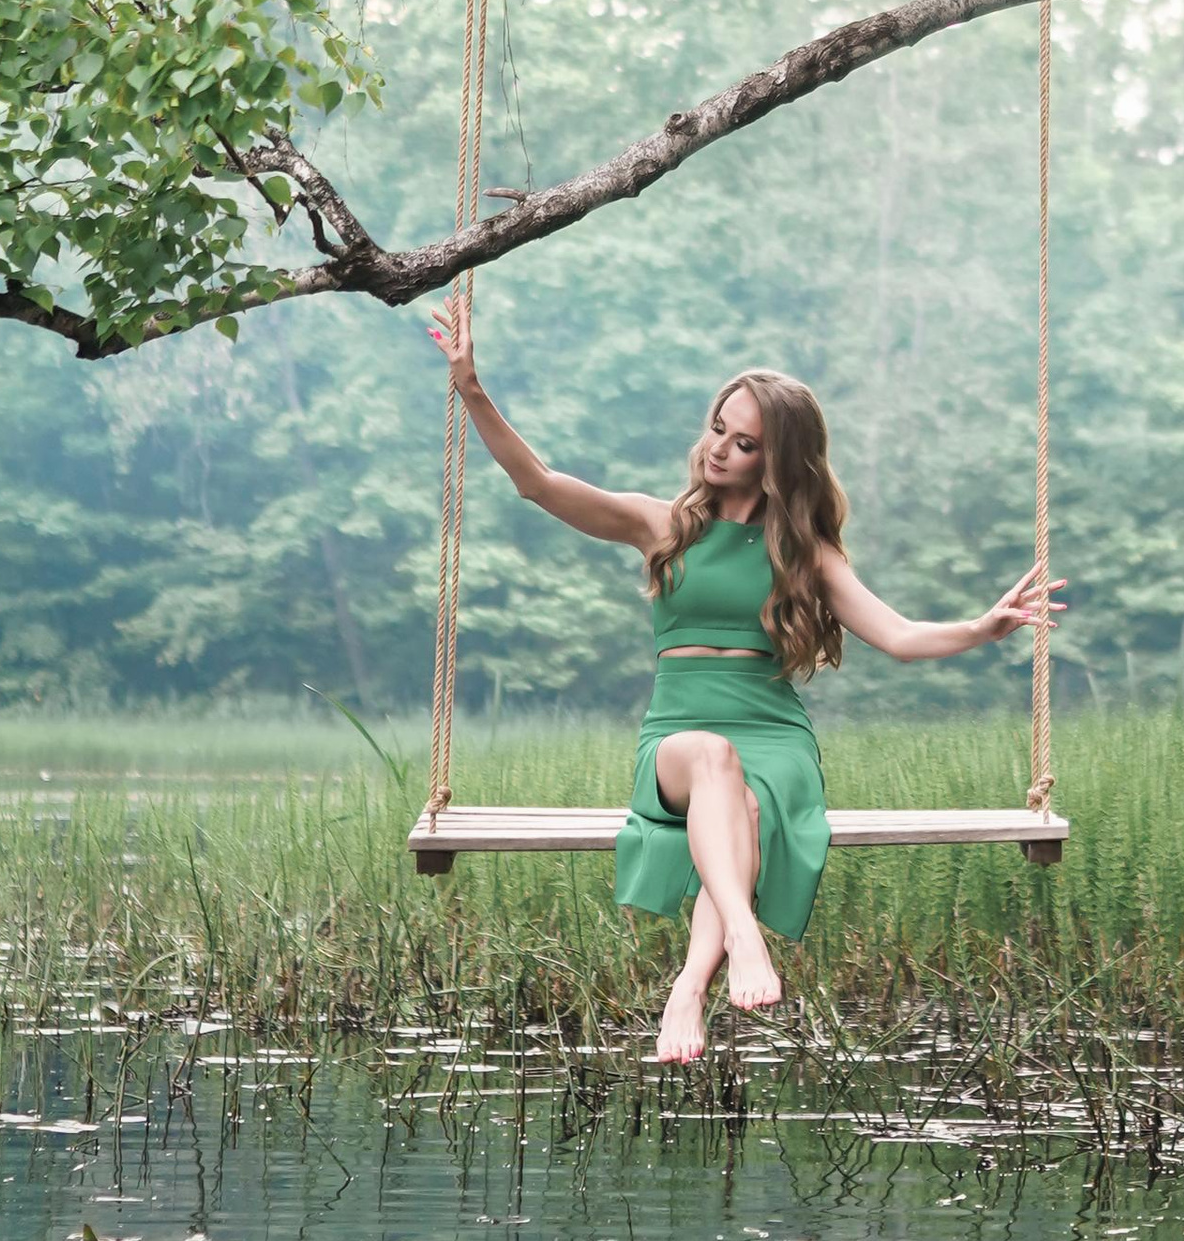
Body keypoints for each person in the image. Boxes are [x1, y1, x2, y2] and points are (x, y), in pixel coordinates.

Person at [430, 303, 1057, 1059]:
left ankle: (690, 986)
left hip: (775, 738)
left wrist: (982, 627)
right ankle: (744, 937)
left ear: (777, 462)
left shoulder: (806, 553)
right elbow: (536, 483)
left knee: (748, 806)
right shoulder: (661, 525)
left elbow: (898, 636)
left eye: (745, 443)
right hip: (678, 736)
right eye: (718, 429)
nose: (719, 449)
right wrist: (471, 387)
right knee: (713, 758)